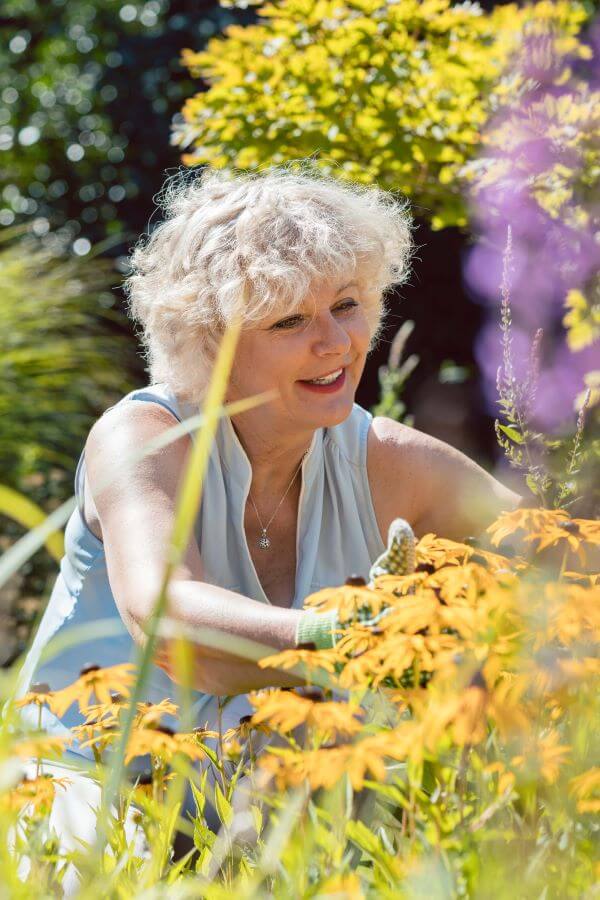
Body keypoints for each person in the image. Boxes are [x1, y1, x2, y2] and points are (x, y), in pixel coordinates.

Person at [16, 164, 521, 853]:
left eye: (347, 305)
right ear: (208, 341)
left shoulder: (388, 459)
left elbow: (563, 557)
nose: (336, 343)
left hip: (274, 819)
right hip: (84, 801)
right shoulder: (145, 441)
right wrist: (360, 641)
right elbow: (173, 627)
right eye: (289, 319)